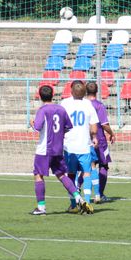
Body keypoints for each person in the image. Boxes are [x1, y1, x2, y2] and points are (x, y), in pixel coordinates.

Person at [31, 85, 92, 215]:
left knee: (38, 175)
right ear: (52, 95)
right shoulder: (61, 109)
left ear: (40, 96)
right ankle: (78, 197)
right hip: (58, 148)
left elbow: (37, 127)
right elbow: (68, 127)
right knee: (61, 175)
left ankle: (41, 207)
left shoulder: (42, 110)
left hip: (44, 149)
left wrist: (32, 123)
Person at [60, 80, 99, 209]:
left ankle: (73, 204)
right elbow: (94, 128)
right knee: (86, 173)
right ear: (84, 92)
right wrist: (94, 137)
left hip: (69, 146)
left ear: (71, 91)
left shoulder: (64, 103)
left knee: (71, 174)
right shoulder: (88, 104)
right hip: (84, 145)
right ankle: (87, 202)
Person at [86, 82, 115, 203]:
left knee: (86, 167)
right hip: (100, 140)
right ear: (97, 91)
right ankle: (100, 194)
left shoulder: (83, 105)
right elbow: (104, 124)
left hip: (86, 140)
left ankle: (79, 192)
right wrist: (112, 133)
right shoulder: (99, 106)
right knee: (104, 165)